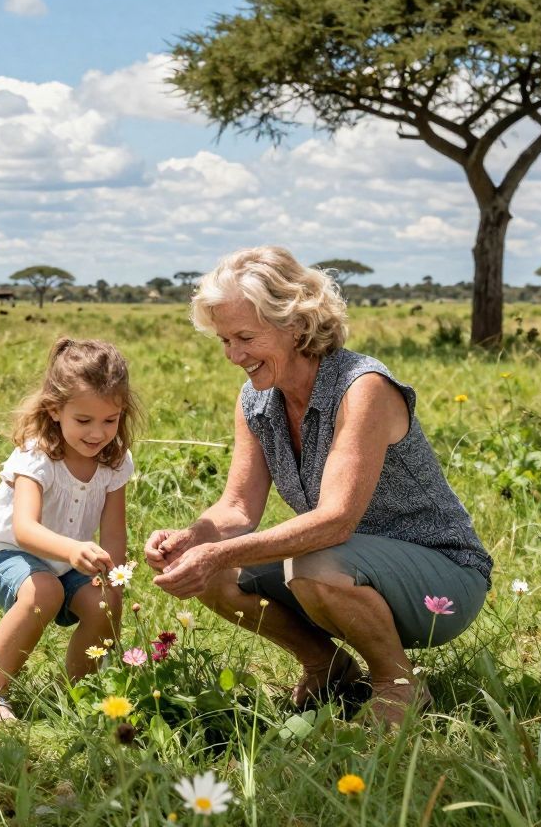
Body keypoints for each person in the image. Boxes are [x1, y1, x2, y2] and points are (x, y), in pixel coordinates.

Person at [145, 246, 492, 725]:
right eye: (224, 340)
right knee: (212, 573)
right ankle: (327, 667)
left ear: (296, 325)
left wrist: (221, 552)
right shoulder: (256, 398)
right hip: (347, 565)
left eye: (245, 337)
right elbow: (237, 508)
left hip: (443, 577)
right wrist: (194, 540)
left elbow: (335, 521)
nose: (233, 356)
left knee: (311, 564)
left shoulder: (361, 386)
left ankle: (398, 684)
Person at [0, 337, 140, 721]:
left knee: (105, 602)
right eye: (83, 421)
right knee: (45, 589)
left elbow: (114, 531)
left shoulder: (114, 462)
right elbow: (25, 529)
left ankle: (82, 694)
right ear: (55, 409)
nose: (97, 433)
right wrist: (73, 550)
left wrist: (115, 577)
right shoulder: (37, 454)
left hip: (66, 558)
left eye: (109, 421)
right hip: (6, 551)